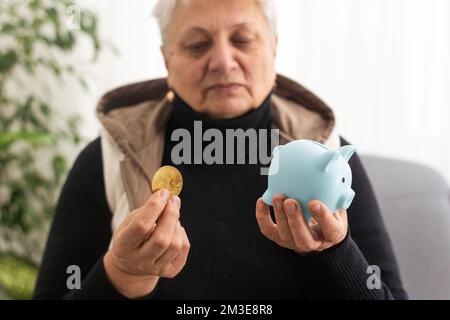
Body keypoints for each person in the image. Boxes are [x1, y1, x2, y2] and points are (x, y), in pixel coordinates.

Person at [33, 0, 408, 300]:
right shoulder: (107, 158)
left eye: (243, 40)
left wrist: (332, 253)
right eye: (197, 45)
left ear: (273, 49)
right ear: (167, 59)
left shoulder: (329, 157)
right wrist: (120, 275)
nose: (223, 61)